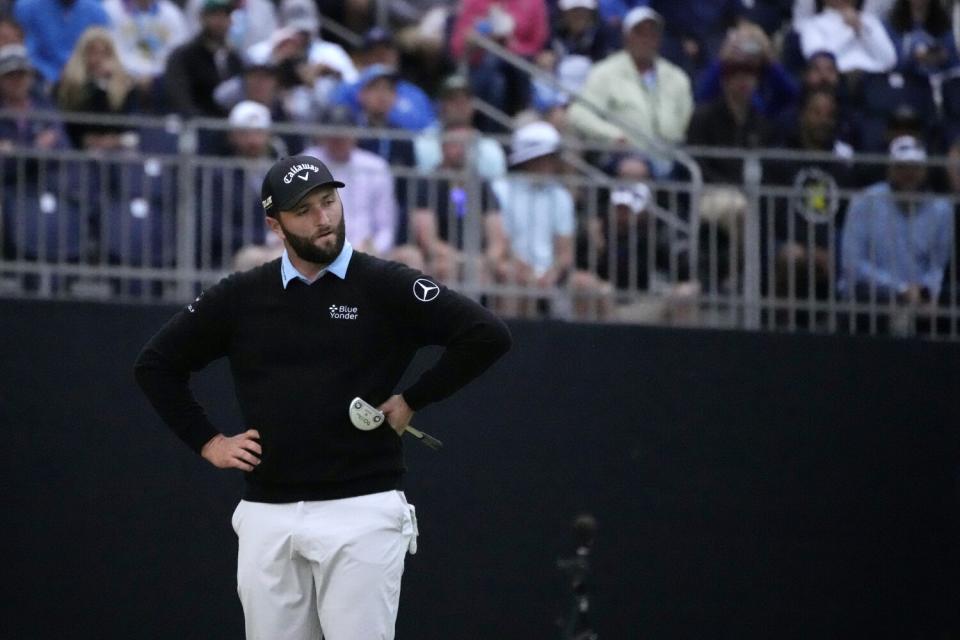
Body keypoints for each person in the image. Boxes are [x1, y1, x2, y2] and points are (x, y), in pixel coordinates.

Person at [133, 154, 512, 640]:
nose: (324, 218)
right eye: (305, 210)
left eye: (329, 201)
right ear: (275, 224)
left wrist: (414, 398)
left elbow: (487, 334)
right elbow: (155, 365)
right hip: (268, 513)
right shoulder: (242, 294)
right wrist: (209, 442)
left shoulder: (385, 283)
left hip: (364, 507)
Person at [492, 120, 611, 318]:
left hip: (552, 275)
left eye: (551, 158)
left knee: (589, 285)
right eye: (544, 157)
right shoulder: (500, 190)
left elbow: (565, 250)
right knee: (515, 280)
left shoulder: (561, 196)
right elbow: (499, 243)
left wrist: (553, 273)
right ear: (529, 160)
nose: (550, 164)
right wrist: (525, 270)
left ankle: (582, 347)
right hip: (512, 267)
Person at [566, 7, 693, 178]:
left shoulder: (676, 77)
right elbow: (579, 114)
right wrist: (613, 136)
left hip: (671, 155)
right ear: (626, 37)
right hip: (622, 156)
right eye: (639, 33)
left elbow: (688, 119)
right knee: (633, 170)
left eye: (652, 34)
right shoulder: (605, 72)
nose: (646, 40)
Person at [842, 135, 953, 306]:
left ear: (925, 171)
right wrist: (900, 289)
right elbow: (853, 264)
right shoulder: (864, 202)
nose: (909, 174)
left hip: (920, 296)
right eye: (902, 167)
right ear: (890, 170)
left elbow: (937, 266)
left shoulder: (941, 209)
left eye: (915, 167)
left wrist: (924, 290)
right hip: (872, 294)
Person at [411, 122, 507, 284]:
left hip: (480, 259)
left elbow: (497, 237)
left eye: (469, 145)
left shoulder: (482, 185)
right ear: (443, 147)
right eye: (457, 144)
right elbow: (428, 240)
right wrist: (464, 260)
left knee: (509, 273)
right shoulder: (428, 184)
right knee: (446, 270)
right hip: (444, 258)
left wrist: (488, 259)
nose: (463, 150)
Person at [301, 105, 401, 259]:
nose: (339, 138)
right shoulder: (306, 163)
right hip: (317, 248)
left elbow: (386, 226)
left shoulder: (375, 166)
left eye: (345, 132)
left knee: (410, 257)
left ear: (356, 133)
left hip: (367, 251)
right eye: (333, 132)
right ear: (322, 134)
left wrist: (374, 248)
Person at [56, 27, 142, 151]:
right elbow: (72, 122)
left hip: (117, 150)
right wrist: (96, 86)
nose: (98, 59)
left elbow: (131, 125)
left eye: (105, 53)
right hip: (79, 150)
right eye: (92, 52)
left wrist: (107, 85)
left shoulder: (126, 86)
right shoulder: (70, 84)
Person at [414, 73, 507, 181]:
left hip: (475, 197)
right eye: (452, 100)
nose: (459, 105)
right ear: (441, 105)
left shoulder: (490, 147)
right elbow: (419, 186)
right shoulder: (423, 141)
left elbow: (498, 191)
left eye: (465, 100)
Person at [163, 0, 243, 117]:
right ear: (202, 18)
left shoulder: (234, 59)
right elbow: (180, 97)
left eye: (225, 15)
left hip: (230, 128)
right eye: (214, 15)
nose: (220, 21)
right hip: (197, 126)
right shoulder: (184, 56)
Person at [13, 0, 110, 85]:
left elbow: (103, 53)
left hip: (85, 79)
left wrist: (78, 73)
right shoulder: (27, 7)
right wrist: (52, 75)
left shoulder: (97, 11)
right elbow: (26, 51)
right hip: (40, 79)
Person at [103, 0, 189, 86]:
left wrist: (154, 76)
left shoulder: (172, 13)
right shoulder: (111, 8)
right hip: (123, 76)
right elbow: (107, 48)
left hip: (161, 79)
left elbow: (177, 53)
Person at [797, 0, 898, 73]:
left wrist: (860, 28)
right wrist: (849, 30)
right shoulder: (812, 24)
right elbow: (819, 59)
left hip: (872, 80)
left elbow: (889, 60)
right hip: (838, 80)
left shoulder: (870, 20)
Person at [886, 0, 960, 76]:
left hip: (936, 82)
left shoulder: (942, 25)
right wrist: (912, 57)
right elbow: (887, 62)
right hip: (903, 82)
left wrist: (943, 57)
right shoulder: (891, 24)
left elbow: (955, 65)